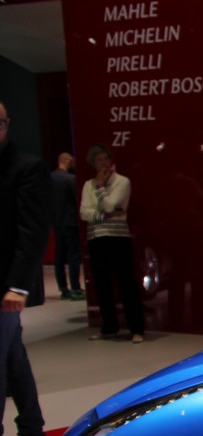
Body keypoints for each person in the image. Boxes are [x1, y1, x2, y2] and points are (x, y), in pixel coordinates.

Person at [0, 100, 53, 436]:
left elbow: (32, 232)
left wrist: (18, 286)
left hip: (5, 285)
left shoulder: (27, 167)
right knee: (13, 360)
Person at [79, 144, 145, 343]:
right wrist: (107, 214)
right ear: (93, 163)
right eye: (98, 160)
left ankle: (136, 329)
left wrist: (100, 188)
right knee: (102, 284)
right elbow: (84, 212)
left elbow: (110, 204)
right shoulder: (87, 185)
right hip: (96, 237)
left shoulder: (122, 181)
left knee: (126, 283)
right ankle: (109, 327)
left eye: (105, 158)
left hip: (118, 237)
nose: (103, 163)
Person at [50, 152, 84, 300]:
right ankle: (76, 288)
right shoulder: (70, 179)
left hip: (56, 222)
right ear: (69, 162)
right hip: (70, 222)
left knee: (59, 256)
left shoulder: (49, 178)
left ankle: (63, 288)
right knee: (74, 255)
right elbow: (76, 200)